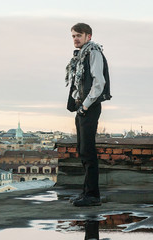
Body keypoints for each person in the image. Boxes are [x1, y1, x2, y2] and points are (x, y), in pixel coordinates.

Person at [65, 23, 111, 207]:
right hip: (82, 106)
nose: (75, 39)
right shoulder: (81, 54)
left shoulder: (93, 52)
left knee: (88, 151)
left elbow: (99, 82)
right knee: (82, 150)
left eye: (79, 35)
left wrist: (84, 106)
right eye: (73, 36)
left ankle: (93, 196)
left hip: (89, 106)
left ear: (88, 36)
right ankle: (86, 193)